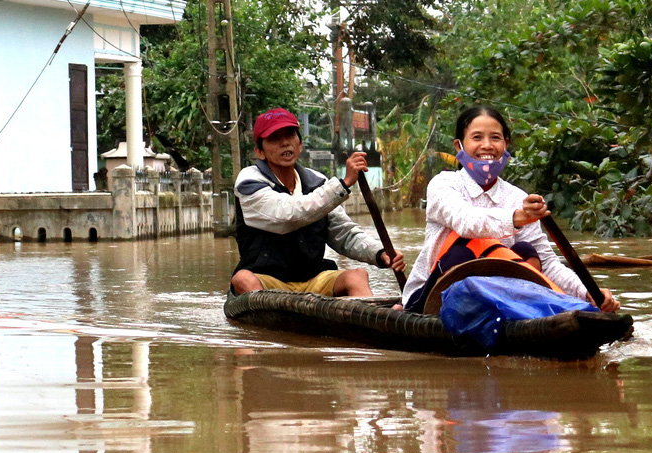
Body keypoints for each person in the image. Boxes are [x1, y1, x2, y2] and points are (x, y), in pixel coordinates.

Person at [401, 104, 621, 313]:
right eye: (477, 137)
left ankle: (544, 308)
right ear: (459, 146)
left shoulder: (517, 197)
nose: (487, 145)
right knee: (464, 250)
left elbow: (548, 264)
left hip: (498, 295)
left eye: (495, 138)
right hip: (431, 294)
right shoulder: (444, 184)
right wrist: (516, 218)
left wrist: (588, 293)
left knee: (527, 252)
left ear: (506, 144)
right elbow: (467, 222)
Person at [230, 108, 405, 297]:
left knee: (357, 276)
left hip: (313, 279)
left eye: (289, 135)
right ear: (260, 151)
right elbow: (289, 215)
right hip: (267, 278)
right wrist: (344, 184)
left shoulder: (317, 182)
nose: (284, 143)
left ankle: (370, 325)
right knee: (243, 279)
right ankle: (269, 321)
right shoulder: (249, 181)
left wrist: (380, 253)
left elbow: (344, 234)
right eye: (274, 138)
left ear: (300, 145)